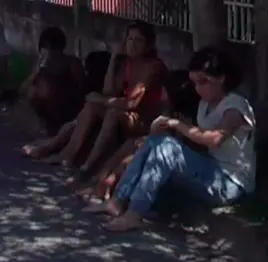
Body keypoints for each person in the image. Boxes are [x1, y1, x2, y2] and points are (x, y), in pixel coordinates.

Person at [88, 46, 256, 233]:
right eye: (195, 83)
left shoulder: (236, 106)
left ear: (222, 78)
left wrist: (176, 124)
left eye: (203, 82)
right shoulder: (204, 104)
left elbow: (214, 139)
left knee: (167, 147)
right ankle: (118, 200)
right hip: (210, 169)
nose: (198, 88)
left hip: (230, 183)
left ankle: (134, 213)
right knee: (156, 141)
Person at [39, 21, 166, 184]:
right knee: (92, 107)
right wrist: (113, 59)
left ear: (148, 45)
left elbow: (132, 103)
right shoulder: (128, 64)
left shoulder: (154, 67)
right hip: (128, 113)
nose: (132, 44)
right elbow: (109, 92)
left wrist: (101, 99)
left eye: (138, 40)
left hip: (146, 119)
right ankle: (68, 155)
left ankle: (88, 167)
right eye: (130, 39)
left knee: (112, 112)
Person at [19, 26, 87, 136]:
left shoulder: (72, 63)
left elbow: (82, 87)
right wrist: (36, 71)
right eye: (45, 48)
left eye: (52, 49)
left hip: (69, 108)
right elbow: (23, 90)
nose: (49, 53)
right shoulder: (40, 67)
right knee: (33, 90)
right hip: (49, 109)